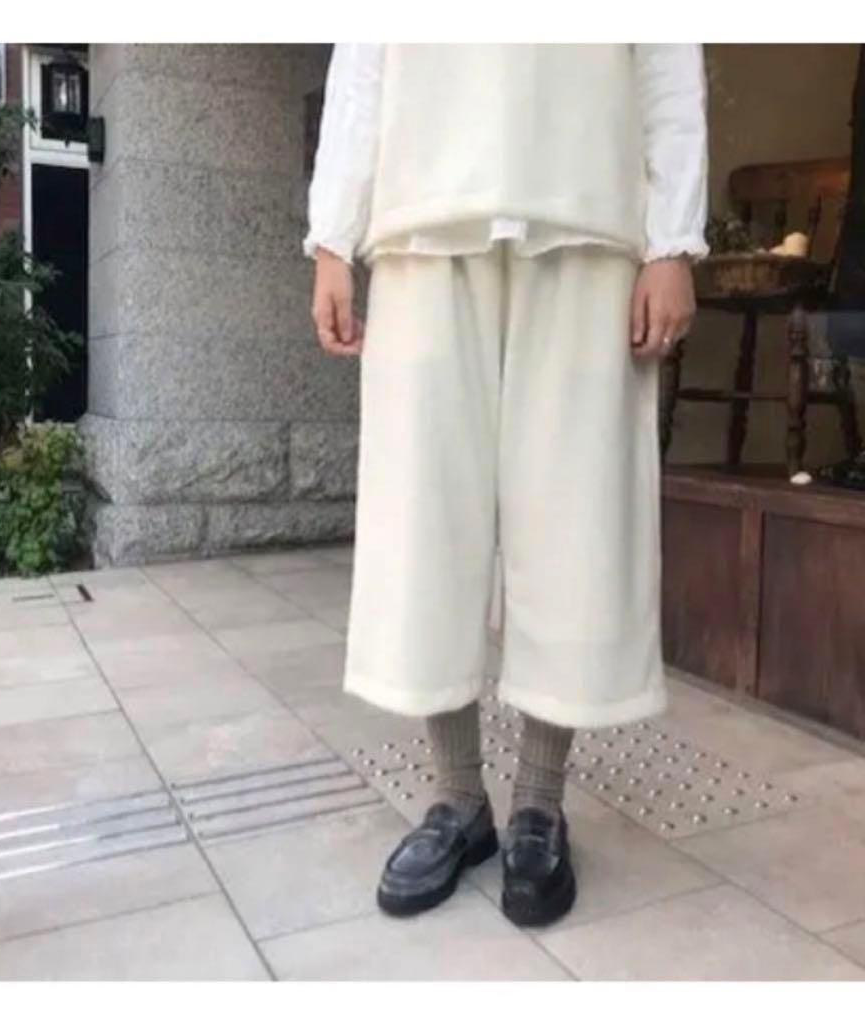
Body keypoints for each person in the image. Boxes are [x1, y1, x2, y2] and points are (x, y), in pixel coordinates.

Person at [306, 43, 708, 927]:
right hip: (422, 217)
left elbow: (667, 49)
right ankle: (458, 796)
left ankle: (539, 800)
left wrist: (674, 239)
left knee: (574, 515)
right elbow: (365, 54)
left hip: (585, 210)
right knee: (423, 515)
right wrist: (333, 234)